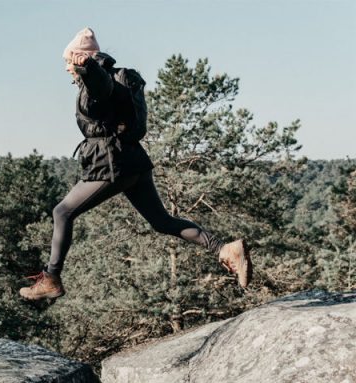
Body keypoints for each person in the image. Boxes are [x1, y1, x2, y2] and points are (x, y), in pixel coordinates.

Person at [19, 27, 252, 302]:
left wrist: (88, 68)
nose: (66, 68)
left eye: (67, 61)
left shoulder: (99, 78)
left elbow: (100, 87)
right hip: (134, 162)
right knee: (162, 221)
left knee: (62, 212)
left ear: (78, 58)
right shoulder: (119, 79)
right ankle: (225, 249)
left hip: (113, 164)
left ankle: (51, 278)